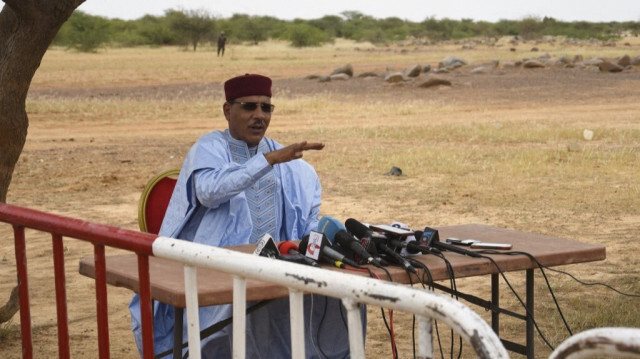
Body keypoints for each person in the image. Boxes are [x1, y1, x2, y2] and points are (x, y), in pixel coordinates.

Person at [129, 74, 364, 358]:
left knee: (343, 297)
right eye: (249, 107)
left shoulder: (287, 160)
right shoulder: (210, 148)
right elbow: (209, 192)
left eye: (266, 108)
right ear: (228, 111)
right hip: (215, 271)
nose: (259, 116)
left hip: (277, 267)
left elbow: (306, 220)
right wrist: (267, 161)